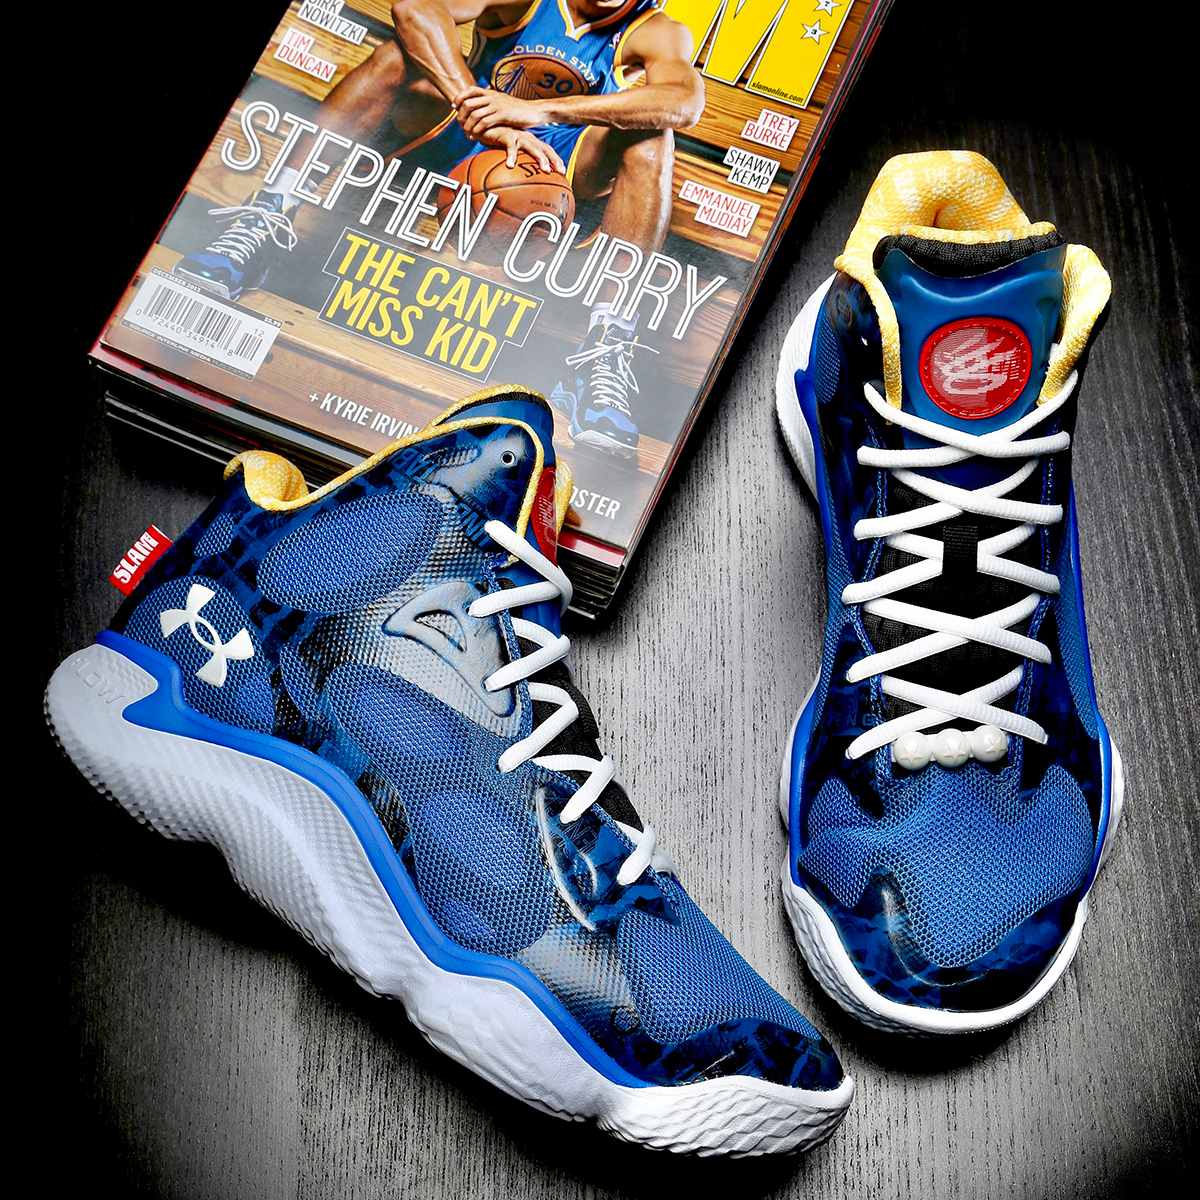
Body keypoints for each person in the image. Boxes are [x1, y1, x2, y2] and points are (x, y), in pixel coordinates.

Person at [175, 0, 705, 459]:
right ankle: (267, 219)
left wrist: (541, 110)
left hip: (552, 175)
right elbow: (414, 7)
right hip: (462, 133)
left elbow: (684, 101)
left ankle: (604, 349)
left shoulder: (655, 30)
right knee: (395, 55)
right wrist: (478, 107)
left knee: (652, 136)